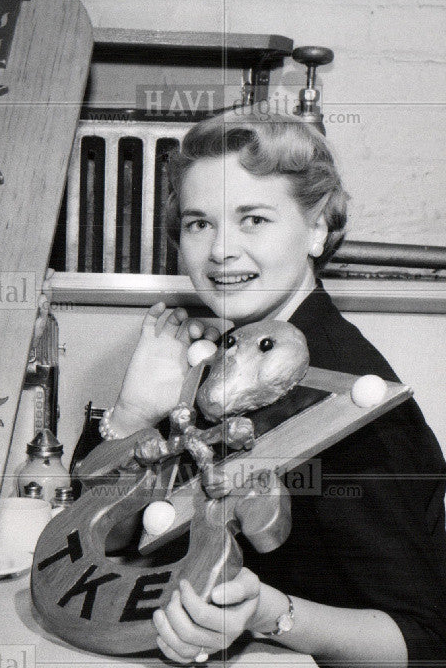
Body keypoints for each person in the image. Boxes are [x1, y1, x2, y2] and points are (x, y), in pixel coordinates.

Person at [75, 111, 446, 666]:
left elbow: (422, 640)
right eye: (200, 223)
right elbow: (95, 546)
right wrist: (131, 415)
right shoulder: (220, 362)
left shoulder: (349, 395)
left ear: (317, 228)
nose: (221, 250)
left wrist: (268, 614)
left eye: (252, 219)